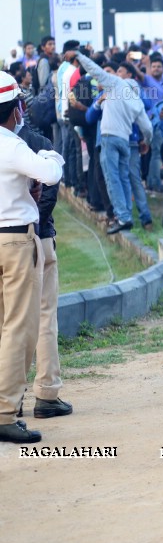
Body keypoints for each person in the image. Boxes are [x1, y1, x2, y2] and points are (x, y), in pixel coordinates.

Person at [0, 73, 64, 443]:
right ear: (16, 109)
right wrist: (51, 154)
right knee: (20, 328)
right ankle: (6, 410)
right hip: (17, 241)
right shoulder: (14, 144)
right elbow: (51, 172)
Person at [72, 51, 154, 235]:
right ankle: (127, 216)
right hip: (125, 142)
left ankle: (123, 218)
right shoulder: (136, 101)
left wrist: (79, 54)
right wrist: (146, 141)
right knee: (124, 178)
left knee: (112, 178)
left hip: (109, 138)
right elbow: (148, 128)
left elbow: (93, 69)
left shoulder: (116, 85)